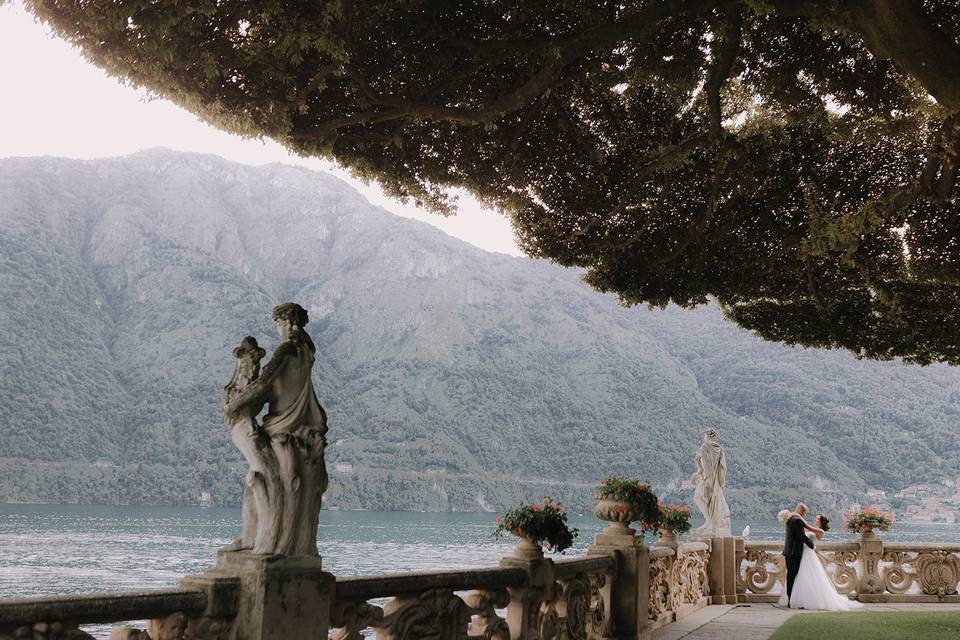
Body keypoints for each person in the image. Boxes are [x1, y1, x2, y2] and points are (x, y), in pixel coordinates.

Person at [778, 509, 864, 611]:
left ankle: (801, 599)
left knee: (806, 576)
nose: (815, 519)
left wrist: (798, 517)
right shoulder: (809, 527)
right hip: (802, 553)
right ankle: (797, 598)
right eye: (816, 517)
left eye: (818, 518)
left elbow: (806, 534)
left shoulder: (819, 531)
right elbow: (800, 532)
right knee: (800, 577)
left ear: (821, 522)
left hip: (808, 553)